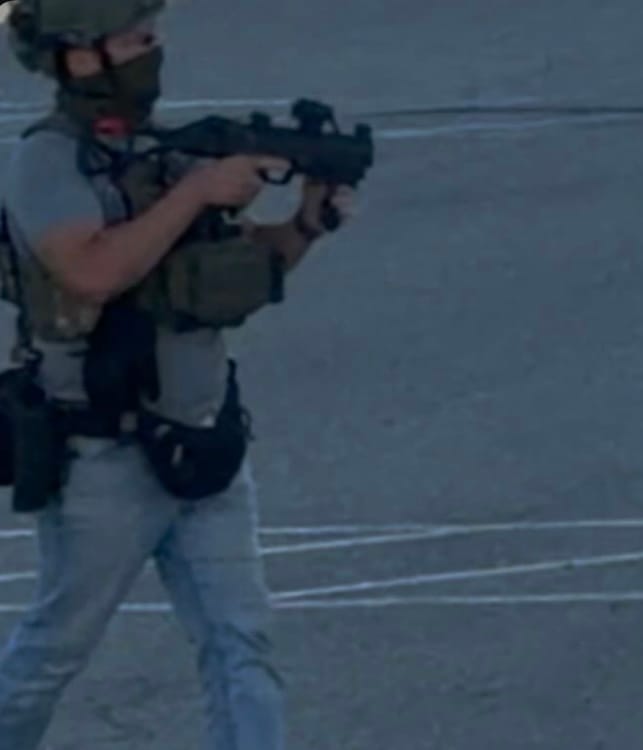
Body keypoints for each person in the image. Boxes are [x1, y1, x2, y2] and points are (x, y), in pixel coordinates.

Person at [0, 0, 355, 747]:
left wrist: (304, 226)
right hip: (103, 460)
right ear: (82, 55)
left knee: (242, 643)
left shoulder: (163, 150)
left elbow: (228, 279)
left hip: (203, 442)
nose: (152, 54)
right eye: (136, 40)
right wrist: (197, 190)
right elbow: (91, 270)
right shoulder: (48, 162)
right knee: (53, 652)